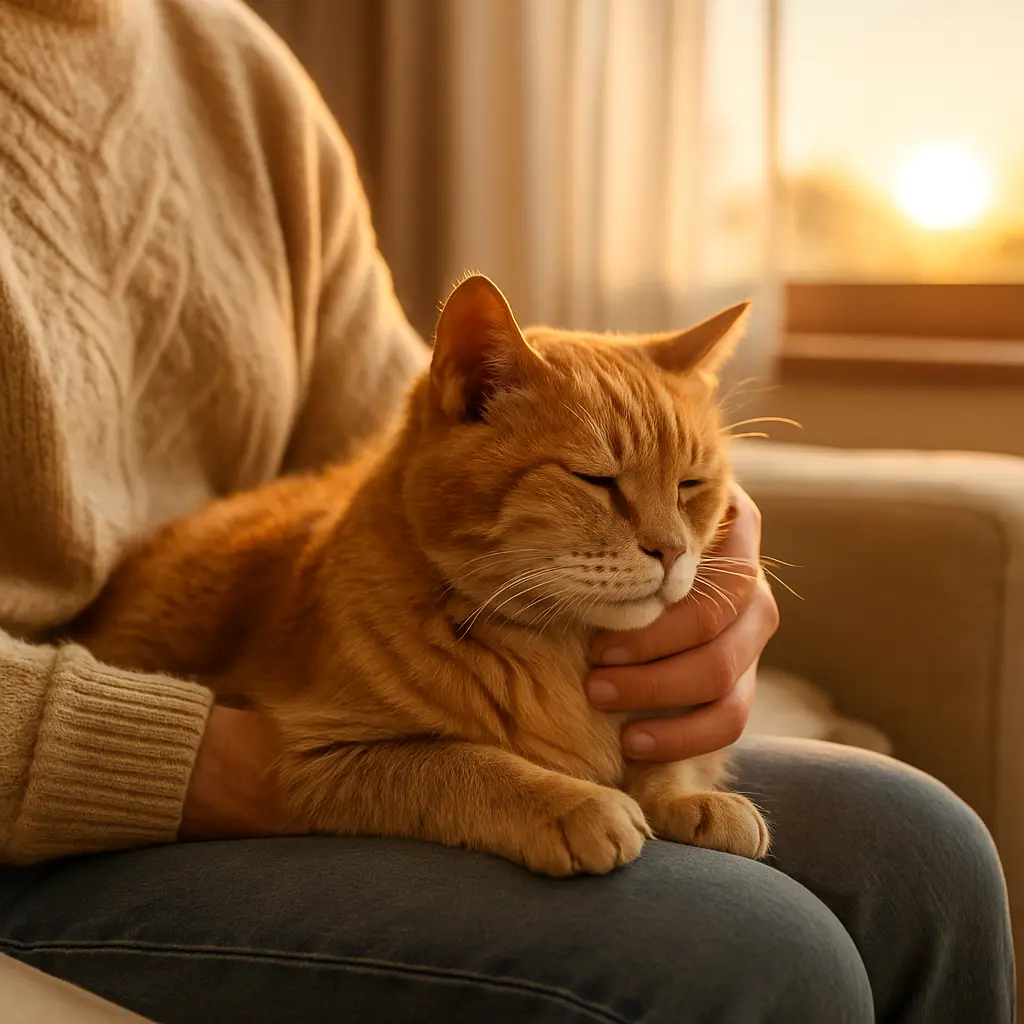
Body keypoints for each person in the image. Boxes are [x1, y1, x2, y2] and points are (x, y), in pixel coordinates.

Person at [0, 0, 1013, 1021]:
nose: (664, 538)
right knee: (750, 953)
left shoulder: (226, 60)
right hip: (63, 818)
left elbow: (411, 434)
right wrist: (255, 767)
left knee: (922, 855)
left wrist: (706, 545)